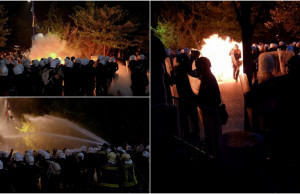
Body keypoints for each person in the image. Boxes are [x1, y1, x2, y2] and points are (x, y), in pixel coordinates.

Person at [195, 57, 222, 157]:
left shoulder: (207, 78)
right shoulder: (208, 76)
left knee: (212, 135)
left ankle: (214, 156)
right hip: (212, 109)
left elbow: (205, 96)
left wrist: (196, 99)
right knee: (212, 135)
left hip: (211, 110)